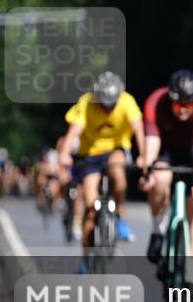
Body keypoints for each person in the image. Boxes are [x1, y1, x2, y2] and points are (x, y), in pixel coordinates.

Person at [58, 72, 146, 269]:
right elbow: (74, 130)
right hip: (90, 153)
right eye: (103, 104)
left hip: (115, 149)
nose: (107, 109)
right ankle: (85, 258)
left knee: (118, 175)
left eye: (111, 104)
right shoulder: (86, 102)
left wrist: (143, 156)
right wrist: (64, 154)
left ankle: (120, 217)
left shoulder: (126, 101)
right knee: (90, 205)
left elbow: (139, 129)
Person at [140, 69, 193, 263]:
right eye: (178, 104)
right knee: (160, 180)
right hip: (165, 148)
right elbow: (151, 142)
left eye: (188, 104)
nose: (183, 109)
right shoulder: (156, 101)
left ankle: (192, 268)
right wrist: (148, 171)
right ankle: (157, 230)